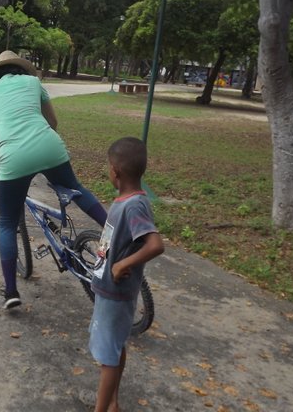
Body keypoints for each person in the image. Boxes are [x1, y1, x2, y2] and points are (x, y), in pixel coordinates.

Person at [0, 50, 108, 309]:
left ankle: (11, 292)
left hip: (15, 158)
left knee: (7, 222)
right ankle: (115, 233)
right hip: (49, 145)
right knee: (76, 188)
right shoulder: (33, 83)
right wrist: (42, 147)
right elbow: (52, 120)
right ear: (20, 68)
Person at [89, 137, 164, 412]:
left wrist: (122, 265)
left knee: (108, 354)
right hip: (110, 289)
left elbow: (155, 244)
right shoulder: (126, 201)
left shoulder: (133, 206)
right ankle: (113, 404)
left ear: (115, 171)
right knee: (115, 345)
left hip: (116, 293)